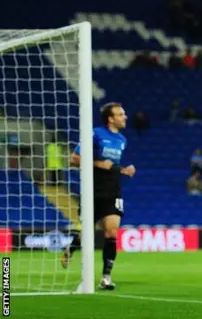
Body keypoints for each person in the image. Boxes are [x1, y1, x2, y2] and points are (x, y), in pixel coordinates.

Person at [61, 102, 136, 290]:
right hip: (92, 190)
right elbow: (74, 159)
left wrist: (124, 170)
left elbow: (113, 165)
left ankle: (106, 277)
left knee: (112, 232)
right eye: (120, 114)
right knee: (88, 232)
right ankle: (71, 248)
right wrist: (98, 163)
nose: (124, 117)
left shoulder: (122, 140)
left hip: (113, 191)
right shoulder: (94, 134)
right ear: (110, 118)